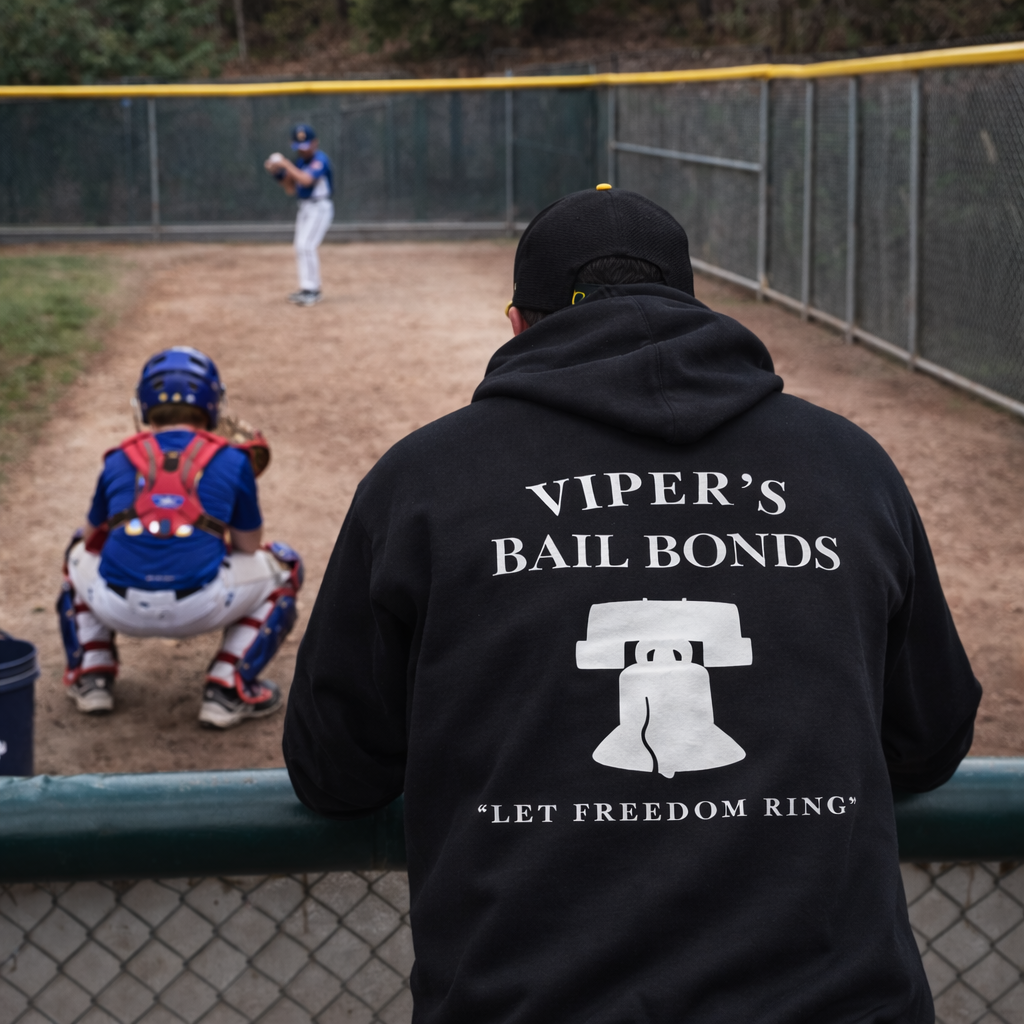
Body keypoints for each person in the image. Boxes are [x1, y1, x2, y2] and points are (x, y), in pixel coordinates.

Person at [283, 187, 981, 1023]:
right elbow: (928, 741)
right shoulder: (850, 467)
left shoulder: (425, 481)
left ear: (518, 324)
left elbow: (335, 771)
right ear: (692, 306)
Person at [59, 346, 303, 729]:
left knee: (76, 551)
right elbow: (248, 546)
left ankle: (93, 675)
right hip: (201, 604)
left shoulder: (119, 456)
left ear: (141, 406)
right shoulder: (232, 457)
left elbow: (92, 537)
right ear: (214, 403)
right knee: (286, 565)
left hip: (116, 605)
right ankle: (227, 688)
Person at [264, 123, 334, 307]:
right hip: (305, 207)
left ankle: (313, 290)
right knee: (300, 246)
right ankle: (307, 288)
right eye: (299, 147)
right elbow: (290, 188)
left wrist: (285, 164)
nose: (303, 151)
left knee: (307, 246)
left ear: (315, 143)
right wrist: (276, 172)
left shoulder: (321, 159)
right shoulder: (300, 163)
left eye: (306, 145)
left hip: (320, 206)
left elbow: (307, 180)